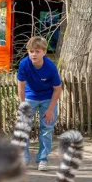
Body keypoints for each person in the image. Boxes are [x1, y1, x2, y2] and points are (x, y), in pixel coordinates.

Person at [17, 36, 62, 171]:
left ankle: (42, 159)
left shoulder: (50, 67)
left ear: (44, 52)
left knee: (46, 129)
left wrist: (50, 109)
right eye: (31, 51)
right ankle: (24, 158)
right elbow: (20, 85)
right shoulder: (24, 64)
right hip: (31, 96)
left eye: (37, 51)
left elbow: (58, 89)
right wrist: (23, 104)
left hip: (48, 97)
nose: (33, 54)